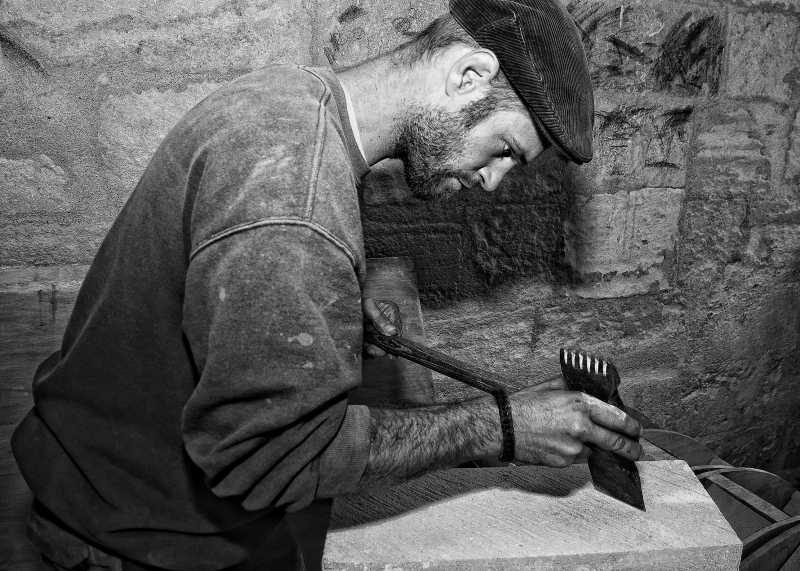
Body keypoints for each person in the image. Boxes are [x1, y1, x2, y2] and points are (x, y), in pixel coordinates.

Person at [11, 0, 643, 569]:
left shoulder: (289, 100)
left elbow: (234, 273)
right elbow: (265, 465)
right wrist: (501, 428)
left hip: (125, 493)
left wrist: (325, 316)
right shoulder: (297, 205)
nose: (494, 181)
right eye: (505, 147)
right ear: (467, 75)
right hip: (143, 535)